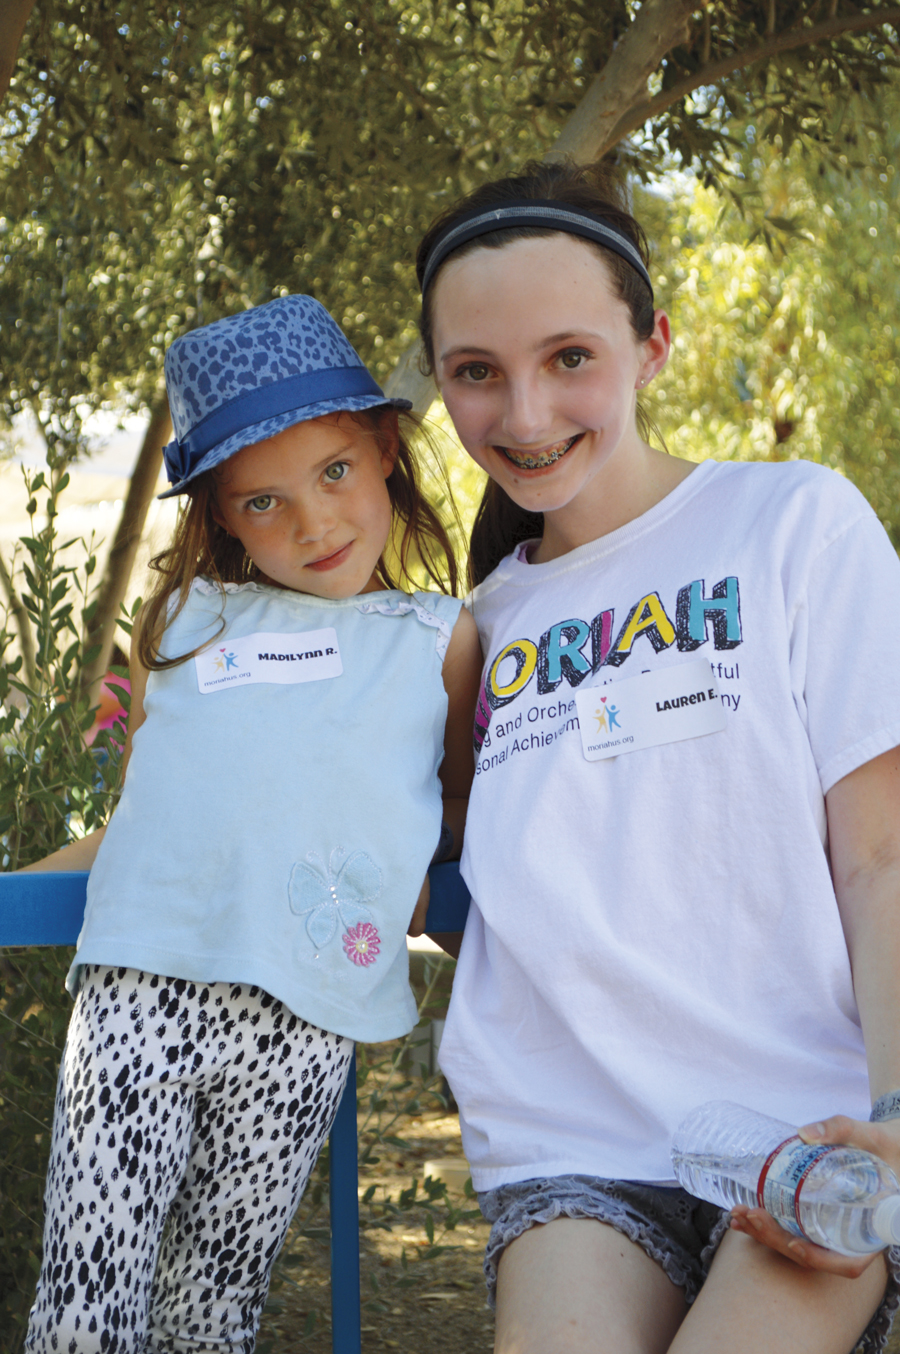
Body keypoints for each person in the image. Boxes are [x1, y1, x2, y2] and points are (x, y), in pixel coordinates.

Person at [414, 160, 900, 1354]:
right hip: (570, 1149)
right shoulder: (476, 627)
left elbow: (882, 857)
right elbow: (444, 866)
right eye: (479, 373)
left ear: (654, 345)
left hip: (811, 1129)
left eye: (569, 357)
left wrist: (896, 1115)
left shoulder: (794, 521)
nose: (524, 419)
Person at [22, 294, 482, 1352]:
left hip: (305, 1012)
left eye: (333, 473)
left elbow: (456, 800)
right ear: (222, 514)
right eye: (264, 502)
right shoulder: (182, 623)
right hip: (141, 986)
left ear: (383, 453)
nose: (315, 524)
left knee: (215, 1307)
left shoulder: (437, 637)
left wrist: (409, 858)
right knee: (86, 1299)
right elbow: (147, 817)